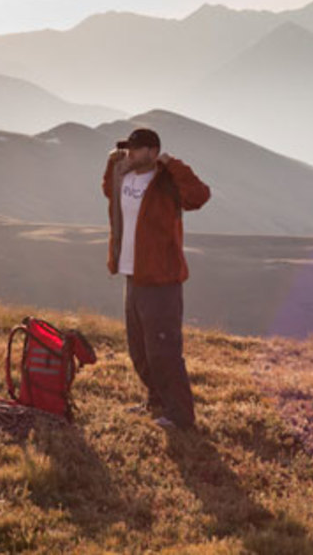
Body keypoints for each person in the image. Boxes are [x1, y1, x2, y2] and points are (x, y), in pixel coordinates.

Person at [102, 127, 210, 430]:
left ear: (152, 151)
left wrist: (172, 163)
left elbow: (199, 196)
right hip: (132, 275)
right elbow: (108, 192)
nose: (129, 154)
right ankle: (157, 401)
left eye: (135, 150)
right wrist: (112, 164)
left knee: (164, 350)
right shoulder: (124, 177)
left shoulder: (167, 182)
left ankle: (181, 416)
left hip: (161, 280)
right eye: (127, 150)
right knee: (139, 348)